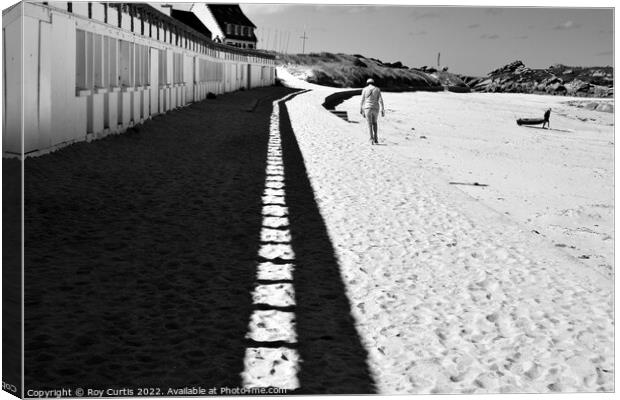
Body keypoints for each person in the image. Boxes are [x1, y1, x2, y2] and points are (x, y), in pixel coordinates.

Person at [360, 78, 385, 144]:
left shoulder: (365, 89)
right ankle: (376, 138)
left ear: (367, 83)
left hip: (367, 108)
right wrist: (382, 109)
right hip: (376, 108)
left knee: (369, 124)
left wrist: (361, 108)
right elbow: (380, 100)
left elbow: (362, 100)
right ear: (373, 83)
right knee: (375, 123)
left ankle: (371, 139)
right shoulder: (377, 89)